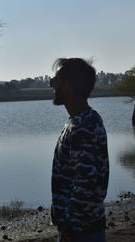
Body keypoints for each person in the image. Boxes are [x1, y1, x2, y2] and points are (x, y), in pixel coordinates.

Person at [50, 58, 109, 242]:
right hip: (80, 229)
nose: (51, 85)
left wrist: (70, 229)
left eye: (55, 81)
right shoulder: (80, 120)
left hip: (81, 233)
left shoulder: (84, 126)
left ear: (66, 86)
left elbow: (86, 183)